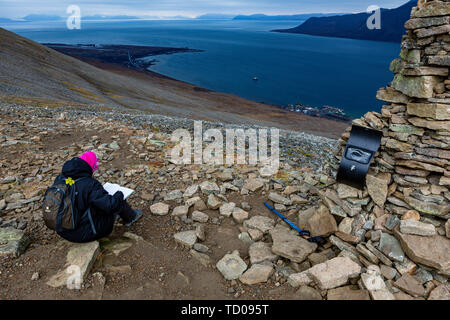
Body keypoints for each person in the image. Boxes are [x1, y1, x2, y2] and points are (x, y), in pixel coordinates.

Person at [54, 151, 142, 243]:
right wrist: (119, 193)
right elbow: (111, 205)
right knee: (118, 201)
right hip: (83, 234)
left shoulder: (60, 178)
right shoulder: (89, 184)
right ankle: (132, 217)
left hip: (62, 231)